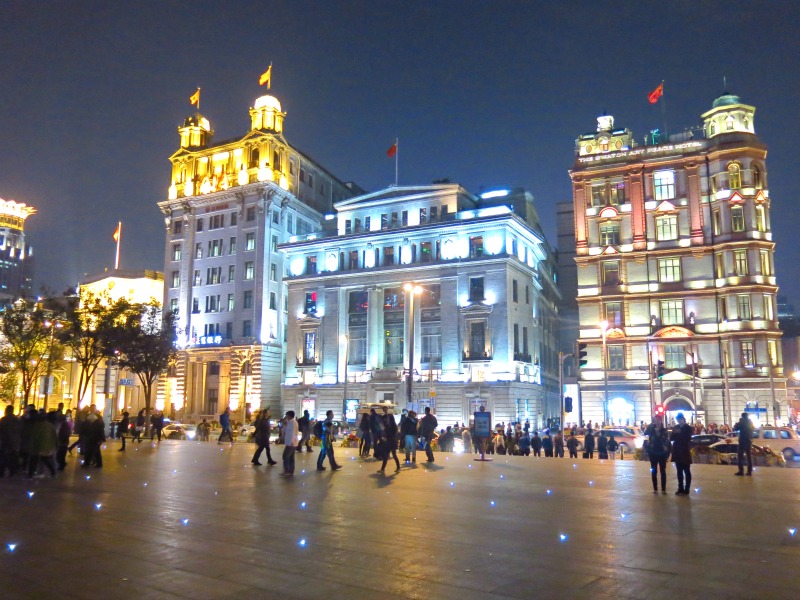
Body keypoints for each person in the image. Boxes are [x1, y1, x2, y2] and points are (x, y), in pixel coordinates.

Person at [670, 413, 693, 496]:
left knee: (687, 471)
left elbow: (688, 438)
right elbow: (671, 438)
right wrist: (675, 433)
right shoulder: (676, 427)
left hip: (685, 451)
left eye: (680, 419)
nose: (678, 421)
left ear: (683, 419)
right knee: (679, 471)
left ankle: (687, 489)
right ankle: (680, 488)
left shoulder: (688, 428)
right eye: (677, 419)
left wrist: (680, 433)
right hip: (677, 451)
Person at [645, 421, 671, 493]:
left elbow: (665, 439)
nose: (657, 422)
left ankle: (663, 489)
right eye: (656, 420)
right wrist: (651, 425)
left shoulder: (664, 430)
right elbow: (645, 433)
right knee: (654, 471)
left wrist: (658, 434)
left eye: (658, 420)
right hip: (653, 453)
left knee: (663, 471)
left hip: (662, 453)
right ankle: (655, 488)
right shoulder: (651, 430)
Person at [0, 405, 22, 478]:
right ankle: (13, 471)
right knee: (12, 457)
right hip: (15, 442)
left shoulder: (4, 419)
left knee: (3, 457)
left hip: (5, 441)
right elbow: (20, 431)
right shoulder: (17, 420)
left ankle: (2, 472)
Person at [378, 408, 401, 473]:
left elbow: (393, 433)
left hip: (392, 441)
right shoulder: (387, 425)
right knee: (386, 455)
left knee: (394, 455)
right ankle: (382, 469)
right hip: (389, 441)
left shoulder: (393, 426)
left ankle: (398, 467)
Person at [733, 412, 754, 476]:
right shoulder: (750, 422)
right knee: (749, 456)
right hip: (749, 440)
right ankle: (749, 471)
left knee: (740, 456)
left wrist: (738, 422)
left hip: (742, 441)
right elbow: (753, 429)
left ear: (742, 416)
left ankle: (741, 471)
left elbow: (736, 428)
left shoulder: (742, 422)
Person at [281, 411, 297, 476]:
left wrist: (291, 442)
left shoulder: (292, 423)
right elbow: (285, 430)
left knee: (285, 456)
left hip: (290, 443)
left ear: (289, 416)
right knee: (291, 457)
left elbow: (292, 433)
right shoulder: (292, 422)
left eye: (286, 415)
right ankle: (290, 471)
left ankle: (287, 471)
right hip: (292, 442)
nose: (286, 416)